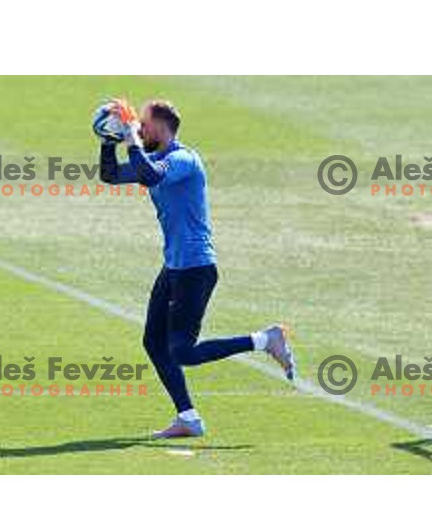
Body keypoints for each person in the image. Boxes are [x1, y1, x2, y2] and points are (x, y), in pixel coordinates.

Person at [99, 99, 296, 438]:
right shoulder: (154, 157)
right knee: (153, 342)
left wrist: (131, 139)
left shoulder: (183, 160)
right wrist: (108, 140)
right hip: (174, 266)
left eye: (142, 124)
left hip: (195, 268)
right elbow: (111, 175)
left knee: (183, 352)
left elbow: (150, 175)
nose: (139, 129)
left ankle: (266, 339)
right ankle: (188, 418)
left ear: (160, 128)